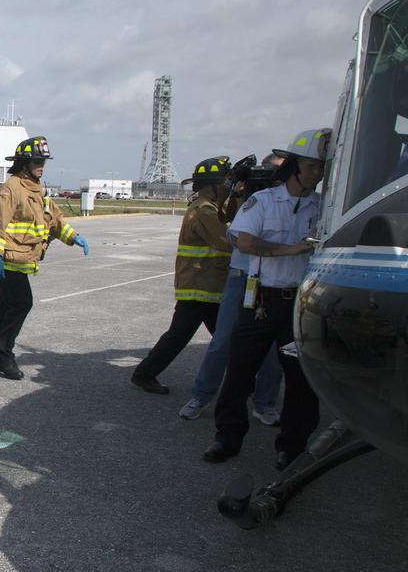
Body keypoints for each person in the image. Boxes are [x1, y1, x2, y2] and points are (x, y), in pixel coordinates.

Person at [202, 129, 329, 469]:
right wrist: (293, 249)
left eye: (322, 167)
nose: (319, 173)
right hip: (259, 301)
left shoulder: (322, 208)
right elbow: (243, 242)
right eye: (314, 166)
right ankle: (226, 438)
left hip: (300, 302)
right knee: (239, 370)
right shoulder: (264, 202)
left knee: (301, 379)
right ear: (294, 167)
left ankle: (291, 446)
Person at [176, 154, 286, 421]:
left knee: (273, 349)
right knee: (222, 341)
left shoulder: (294, 204)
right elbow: (230, 234)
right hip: (241, 277)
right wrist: (239, 195)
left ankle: (264, 403)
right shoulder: (242, 203)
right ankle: (201, 396)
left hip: (275, 280)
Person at [0, 136, 88, 380]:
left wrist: (74, 237)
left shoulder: (39, 190)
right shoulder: (11, 189)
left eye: (43, 161)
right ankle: (2, 354)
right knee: (21, 303)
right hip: (8, 260)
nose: (42, 165)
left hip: (25, 259)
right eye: (37, 161)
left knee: (6, 306)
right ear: (24, 163)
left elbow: (55, 219)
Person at [131, 156, 234, 395]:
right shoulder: (204, 211)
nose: (228, 189)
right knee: (187, 336)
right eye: (225, 185)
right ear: (213, 186)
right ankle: (144, 374)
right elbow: (227, 242)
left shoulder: (207, 208)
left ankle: (145, 373)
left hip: (205, 284)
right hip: (200, 286)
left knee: (220, 337)